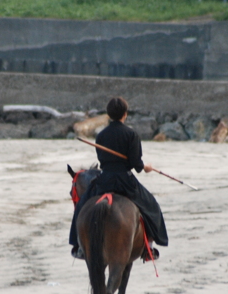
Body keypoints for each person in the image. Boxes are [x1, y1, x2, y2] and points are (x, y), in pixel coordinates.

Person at [69, 97, 169, 259]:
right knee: (152, 205)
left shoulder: (101, 136)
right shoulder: (131, 134)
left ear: (109, 114)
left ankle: (78, 245)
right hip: (125, 181)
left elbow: (103, 160)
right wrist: (146, 168)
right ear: (125, 114)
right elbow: (136, 165)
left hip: (104, 180)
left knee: (81, 206)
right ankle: (149, 248)